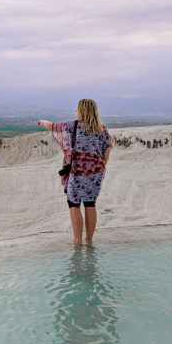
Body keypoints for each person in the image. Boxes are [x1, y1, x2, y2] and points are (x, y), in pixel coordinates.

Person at [38, 99, 113, 245]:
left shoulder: (71, 126)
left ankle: (77, 241)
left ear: (80, 110)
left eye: (77, 109)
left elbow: (53, 127)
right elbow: (107, 149)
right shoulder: (101, 129)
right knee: (90, 203)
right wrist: (101, 165)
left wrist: (43, 121)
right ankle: (89, 240)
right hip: (96, 172)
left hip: (77, 171)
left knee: (74, 203)